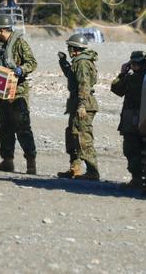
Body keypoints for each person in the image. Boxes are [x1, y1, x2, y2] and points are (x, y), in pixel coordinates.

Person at [0, 14, 38, 175]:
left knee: (22, 126)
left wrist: (20, 70)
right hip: (3, 91)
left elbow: (32, 63)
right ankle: (7, 160)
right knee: (4, 126)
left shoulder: (20, 44)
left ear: (2, 29)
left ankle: (31, 162)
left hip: (18, 92)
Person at [57, 33, 99, 180]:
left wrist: (81, 105)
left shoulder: (82, 63)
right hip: (77, 103)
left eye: (70, 47)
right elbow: (71, 76)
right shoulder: (78, 62)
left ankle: (92, 171)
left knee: (83, 137)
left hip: (84, 104)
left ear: (75, 48)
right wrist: (63, 62)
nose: (68, 50)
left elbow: (84, 85)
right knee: (73, 135)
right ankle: (75, 168)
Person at [111, 51, 146, 188]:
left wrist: (122, 73)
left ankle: (137, 178)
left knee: (131, 149)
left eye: (135, 64)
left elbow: (116, 88)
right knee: (139, 148)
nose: (134, 66)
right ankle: (141, 177)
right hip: (142, 118)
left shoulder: (133, 79)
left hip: (133, 119)